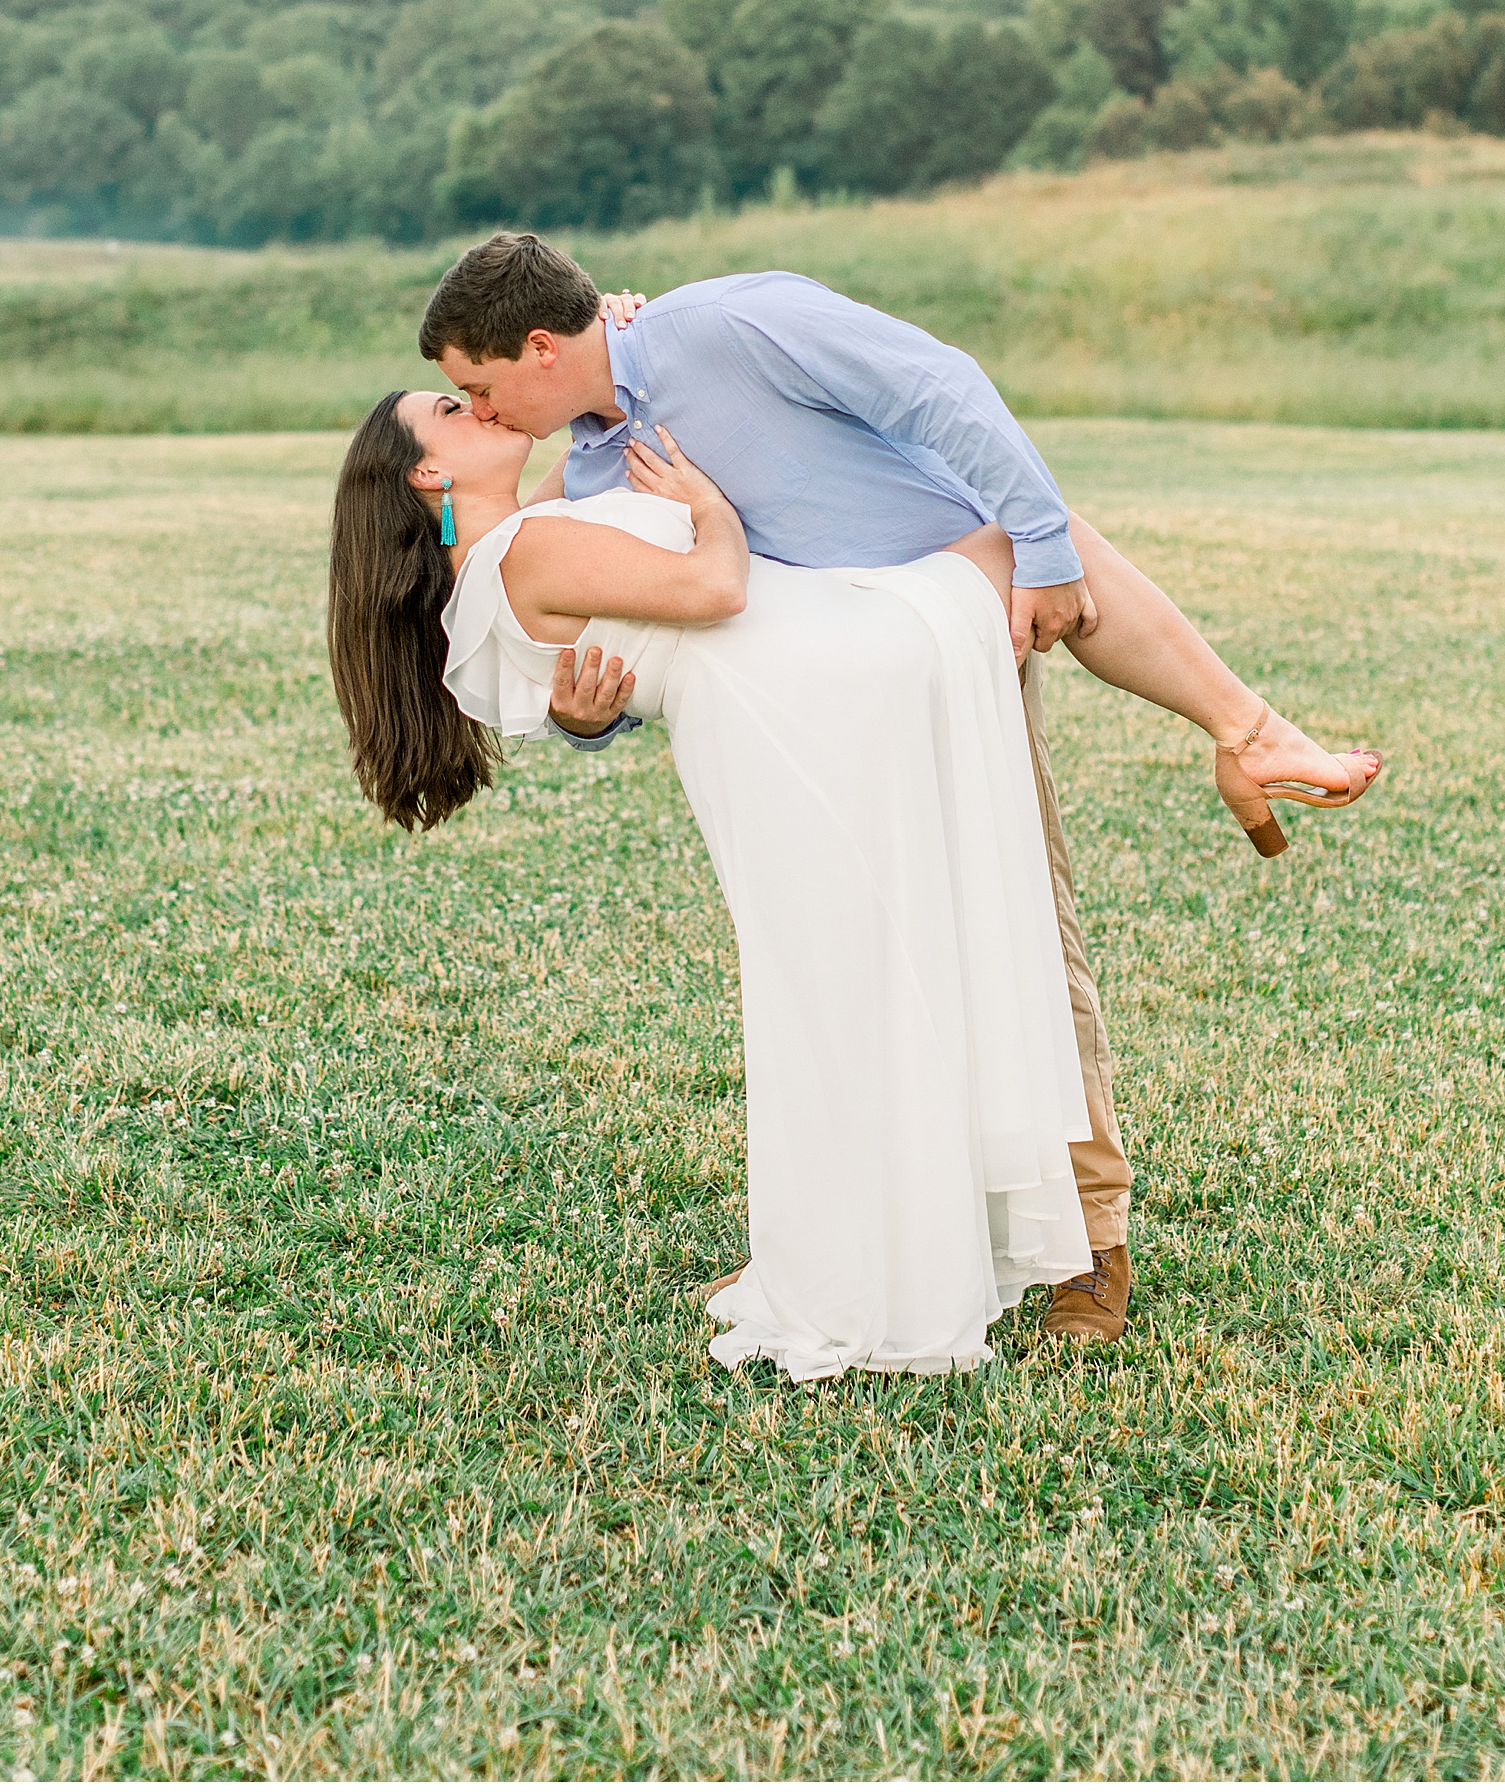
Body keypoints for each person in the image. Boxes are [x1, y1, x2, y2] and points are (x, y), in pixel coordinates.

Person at [410, 234, 1380, 1343]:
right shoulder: (586, 473)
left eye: (480, 387)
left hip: (940, 642)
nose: (483, 411)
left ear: (539, 346)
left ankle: (1089, 1240)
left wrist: (1046, 542)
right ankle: (868, 1231)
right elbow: (649, 644)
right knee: (860, 974)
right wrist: (592, 721)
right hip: (825, 725)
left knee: (1018, 931)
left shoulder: (730, 323)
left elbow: (939, 388)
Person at [328, 389, 1107, 1380]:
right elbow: (716, 588)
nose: (476, 400)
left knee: (844, 1009)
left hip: (785, 711)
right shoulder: (520, 555)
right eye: (449, 404)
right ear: (428, 475)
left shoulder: (511, 545)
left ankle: (878, 1256)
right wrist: (711, 507)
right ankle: (1242, 728)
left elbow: (580, 413)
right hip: (820, 682)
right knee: (1041, 536)